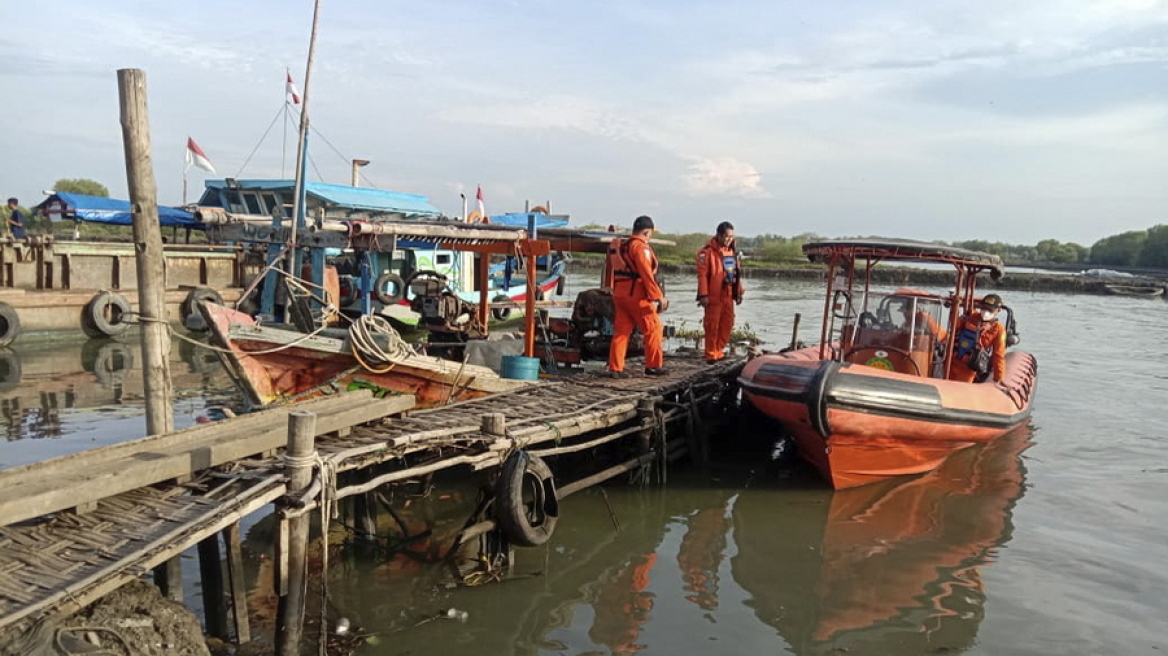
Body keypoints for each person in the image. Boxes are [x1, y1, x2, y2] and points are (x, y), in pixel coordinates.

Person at [606, 215, 669, 377]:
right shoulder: (641, 248)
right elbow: (646, 273)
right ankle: (653, 366)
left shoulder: (623, 246)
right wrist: (658, 297)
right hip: (637, 296)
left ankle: (615, 368)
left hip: (620, 293)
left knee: (621, 332)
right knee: (653, 329)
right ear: (647, 232)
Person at [695, 221, 744, 363]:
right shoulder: (706, 253)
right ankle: (711, 354)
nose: (730, 239)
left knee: (727, 324)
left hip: (728, 293)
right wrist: (703, 295)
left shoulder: (732, 252)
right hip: (713, 295)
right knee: (712, 325)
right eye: (727, 236)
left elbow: (736, 273)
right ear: (719, 235)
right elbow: (702, 275)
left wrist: (739, 291)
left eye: (732, 237)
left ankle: (719, 350)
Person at [949, 293, 1007, 383]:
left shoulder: (999, 329)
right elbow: (955, 325)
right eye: (983, 308)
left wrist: (998, 378)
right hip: (952, 360)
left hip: (969, 367)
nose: (985, 312)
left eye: (990, 310)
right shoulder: (971, 316)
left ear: (998, 310)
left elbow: (998, 355)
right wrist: (954, 309)